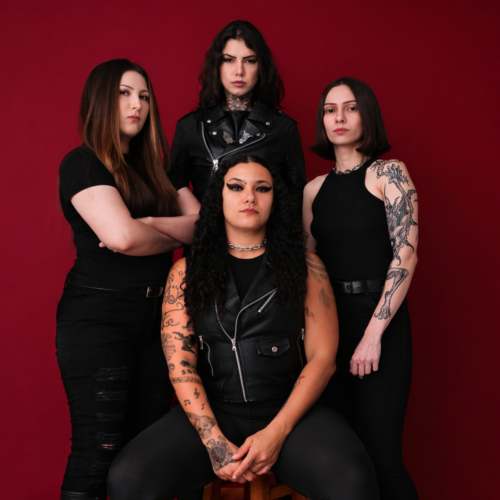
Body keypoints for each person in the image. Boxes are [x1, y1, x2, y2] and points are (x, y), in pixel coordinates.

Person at [107, 155, 379, 500]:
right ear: (218, 198)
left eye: (262, 189)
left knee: (354, 482)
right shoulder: (185, 273)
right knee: (128, 479)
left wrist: (275, 433)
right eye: (236, 187)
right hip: (216, 412)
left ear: (274, 200)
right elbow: (180, 364)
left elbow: (323, 360)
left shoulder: (308, 268)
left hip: (291, 412)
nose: (249, 197)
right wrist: (213, 442)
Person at [56, 59, 200, 500]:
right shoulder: (82, 164)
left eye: (143, 96)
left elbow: (203, 226)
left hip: (159, 319)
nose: (136, 104)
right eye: (123, 94)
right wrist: (159, 232)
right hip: (100, 317)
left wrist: (148, 224)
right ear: (101, 100)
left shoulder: (157, 167)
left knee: (146, 455)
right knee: (97, 451)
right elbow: (121, 237)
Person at [303, 77, 419, 499]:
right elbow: (307, 267)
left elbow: (405, 256)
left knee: (382, 459)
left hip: (379, 321)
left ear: (366, 115)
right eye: (330, 109)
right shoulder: (313, 190)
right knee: (340, 464)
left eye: (350, 107)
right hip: (328, 326)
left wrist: (373, 335)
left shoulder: (389, 173)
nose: (339, 117)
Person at [168, 20, 307, 213]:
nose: (239, 71)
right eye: (229, 60)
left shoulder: (283, 128)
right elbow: (173, 188)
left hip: (263, 231)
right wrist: (201, 223)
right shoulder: (190, 126)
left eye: (249, 61)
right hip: (204, 230)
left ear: (261, 66)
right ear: (217, 65)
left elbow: (297, 197)